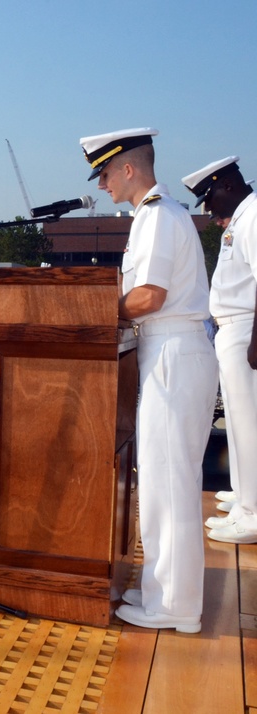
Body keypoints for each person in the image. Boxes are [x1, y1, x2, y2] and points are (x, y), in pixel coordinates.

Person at [81, 127, 218, 633]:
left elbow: (149, 297)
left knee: (169, 483)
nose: (101, 184)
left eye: (104, 172)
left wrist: (99, 311)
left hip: (174, 352)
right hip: (170, 351)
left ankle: (176, 607)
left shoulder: (159, 216)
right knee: (163, 481)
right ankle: (166, 589)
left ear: (129, 168)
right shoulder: (157, 215)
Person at [182, 157, 257, 544]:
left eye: (209, 198)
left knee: (251, 425)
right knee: (240, 425)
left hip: (247, 331)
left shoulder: (255, 215)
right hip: (231, 331)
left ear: (227, 184)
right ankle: (246, 500)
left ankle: (254, 514)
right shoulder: (243, 218)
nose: (209, 208)